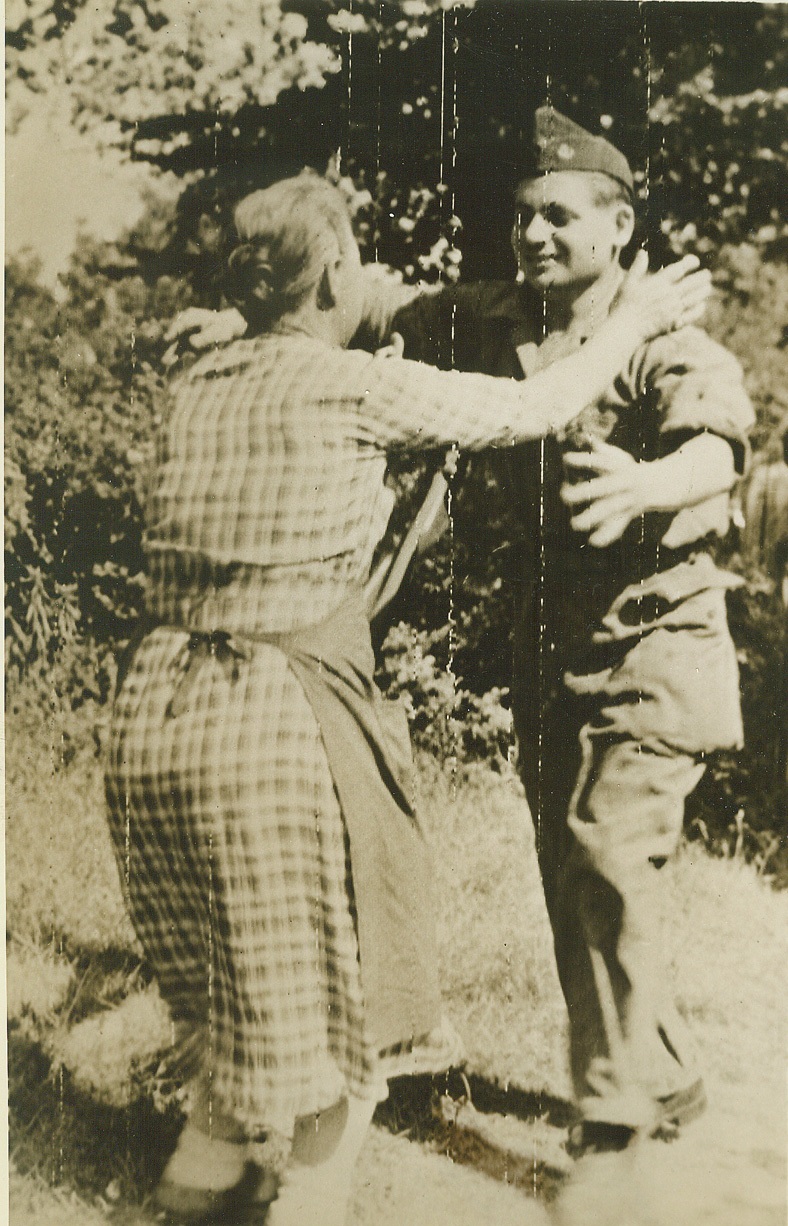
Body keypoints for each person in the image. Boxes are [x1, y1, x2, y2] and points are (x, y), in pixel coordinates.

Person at [105, 171, 708, 1226]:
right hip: (271, 708)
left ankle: (202, 1168)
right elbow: (535, 406)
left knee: (230, 960)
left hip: (152, 709)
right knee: (338, 965)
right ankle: (310, 1192)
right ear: (334, 271)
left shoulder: (198, 379)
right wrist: (636, 321)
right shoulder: (347, 386)